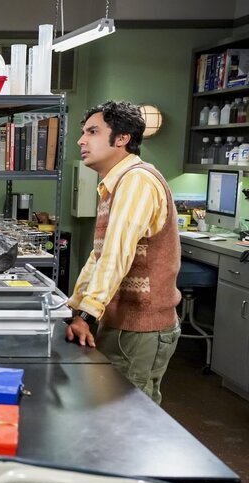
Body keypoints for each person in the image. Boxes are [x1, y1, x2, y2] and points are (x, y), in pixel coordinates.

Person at [65, 100, 181, 404]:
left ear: (122, 138)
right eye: (83, 132)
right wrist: (74, 308)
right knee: (106, 410)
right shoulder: (115, 184)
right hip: (119, 323)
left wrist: (86, 314)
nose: (81, 140)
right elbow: (99, 256)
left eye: (92, 132)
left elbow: (116, 255)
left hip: (138, 329)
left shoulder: (136, 181)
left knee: (128, 417)